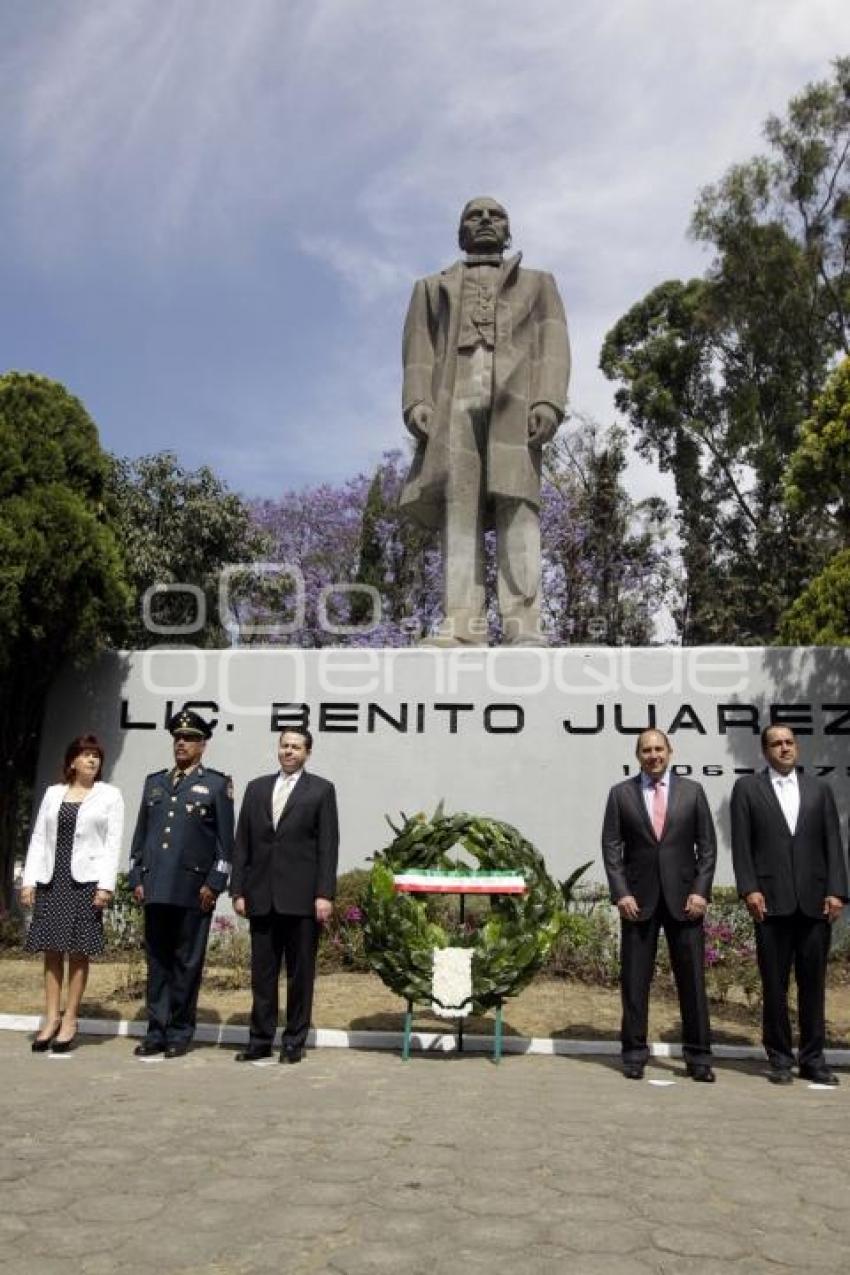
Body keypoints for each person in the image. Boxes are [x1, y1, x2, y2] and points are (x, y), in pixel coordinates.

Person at [400, 196, 570, 646]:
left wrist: (549, 402)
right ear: (461, 231)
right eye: (475, 216)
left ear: (508, 230)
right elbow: (418, 349)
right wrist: (416, 399)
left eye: (496, 216)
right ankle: (461, 623)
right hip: (452, 400)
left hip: (515, 402)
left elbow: (554, 344)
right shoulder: (430, 287)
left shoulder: (538, 283)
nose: (486, 221)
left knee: (519, 508)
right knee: (459, 513)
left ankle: (523, 623)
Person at [731, 725, 848, 1085]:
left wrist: (837, 891)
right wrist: (749, 889)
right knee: (774, 985)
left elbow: (832, 841)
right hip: (770, 903)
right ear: (764, 751)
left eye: (789, 743)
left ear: (795, 747)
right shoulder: (748, 789)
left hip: (814, 903)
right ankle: (780, 1058)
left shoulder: (819, 789)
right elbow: (742, 844)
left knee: (813, 985)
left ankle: (813, 1059)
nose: (784, 748)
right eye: (776, 744)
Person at [601, 728, 717, 1081]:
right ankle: (634, 1053)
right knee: (635, 981)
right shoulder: (620, 794)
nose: (653, 755)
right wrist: (621, 893)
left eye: (658, 749)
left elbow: (707, 848)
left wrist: (701, 891)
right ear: (638, 755)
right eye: (646, 750)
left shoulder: (693, 792)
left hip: (686, 902)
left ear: (670, 751)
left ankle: (698, 1058)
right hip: (638, 901)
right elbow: (611, 848)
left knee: (692, 982)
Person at [128, 706, 233, 1059]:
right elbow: (141, 836)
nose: (182, 744)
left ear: (204, 745)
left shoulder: (217, 784)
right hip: (156, 886)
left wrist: (215, 883)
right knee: (157, 961)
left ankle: (179, 1030)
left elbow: (225, 843)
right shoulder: (154, 782)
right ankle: (155, 1031)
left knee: (187, 963)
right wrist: (137, 875)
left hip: (193, 890)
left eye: (189, 739)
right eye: (178, 738)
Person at [230, 727, 338, 1064]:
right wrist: (238, 889)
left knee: (299, 974)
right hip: (261, 896)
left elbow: (327, 847)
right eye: (284, 745)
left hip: (302, 899)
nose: (289, 751)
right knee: (262, 974)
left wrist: (324, 894)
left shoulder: (320, 790)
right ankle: (260, 1039)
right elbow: (242, 843)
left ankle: (293, 1040)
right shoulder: (257, 788)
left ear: (308, 752)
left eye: (296, 747)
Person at [21, 733, 124, 1053]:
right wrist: (29, 880)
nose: (92, 760)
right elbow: (39, 837)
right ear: (72, 761)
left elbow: (113, 843)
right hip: (53, 880)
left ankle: (71, 1019)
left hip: (86, 883)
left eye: (97, 756)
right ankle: (51, 1018)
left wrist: (106, 885)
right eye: (86, 755)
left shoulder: (109, 795)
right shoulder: (53, 794)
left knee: (79, 952)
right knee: (52, 950)